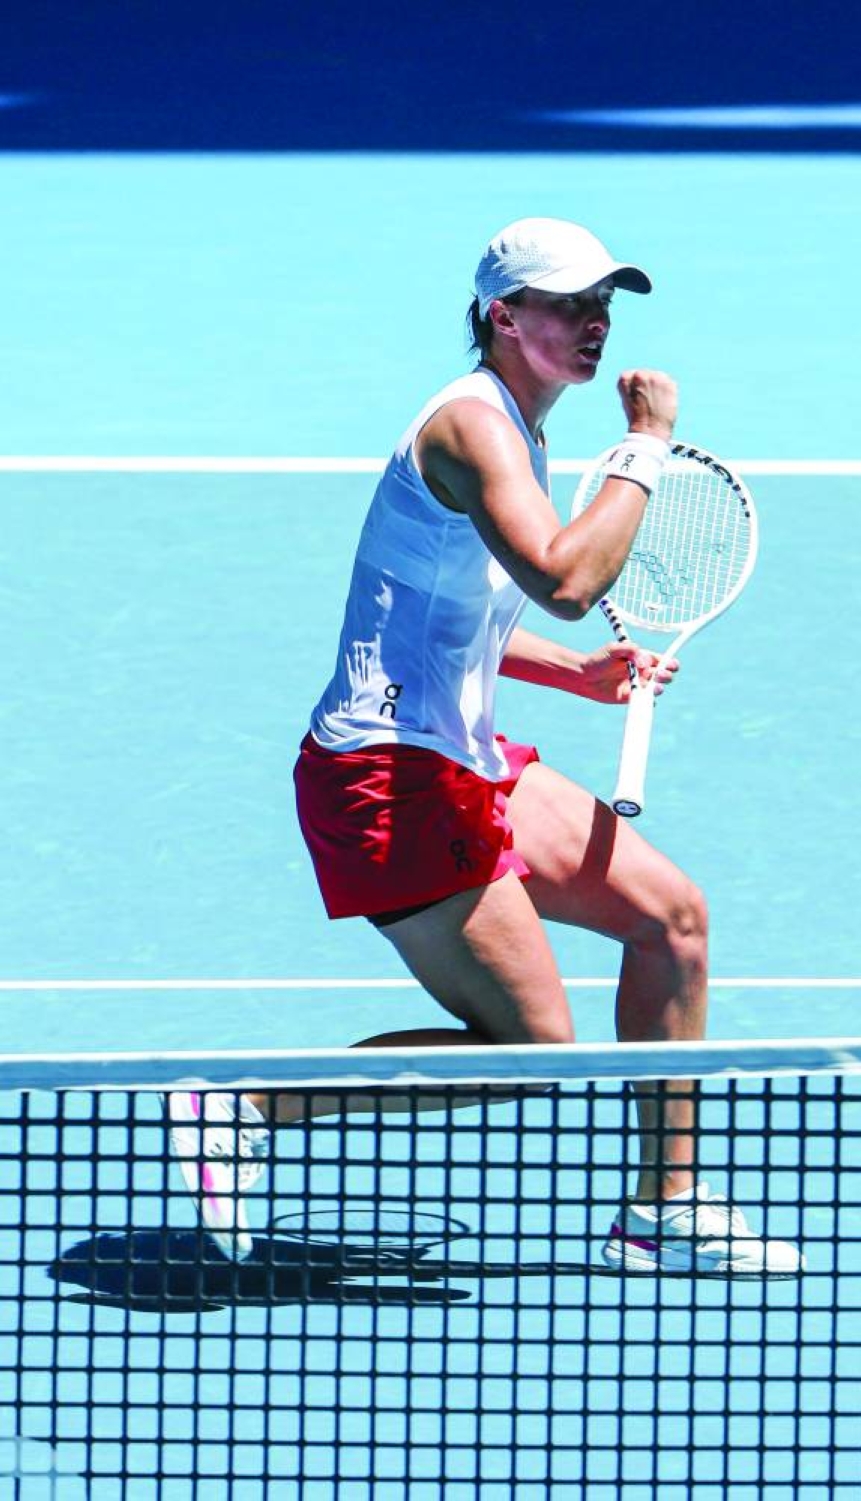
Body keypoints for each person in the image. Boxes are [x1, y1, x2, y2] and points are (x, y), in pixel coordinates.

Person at [167, 218, 801, 1278]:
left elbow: (456, 618)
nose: (593, 323)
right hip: (387, 780)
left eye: (603, 303)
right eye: (564, 304)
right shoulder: (472, 431)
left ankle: (662, 1209)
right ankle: (247, 1106)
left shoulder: (522, 427)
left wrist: (578, 675)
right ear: (503, 317)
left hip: (464, 755)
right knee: (532, 1052)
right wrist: (643, 445)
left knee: (671, 919)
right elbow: (565, 578)